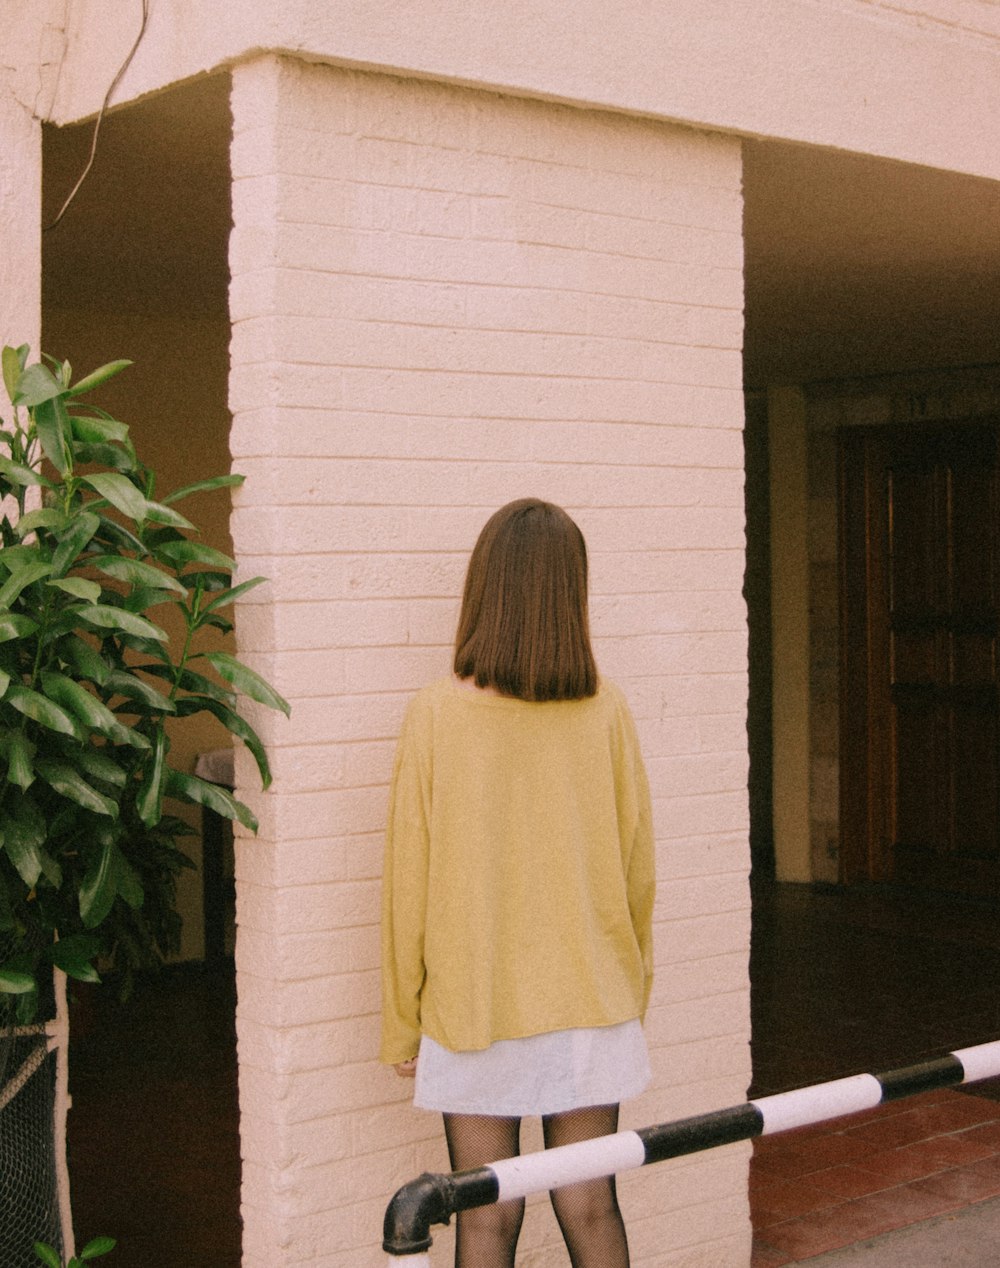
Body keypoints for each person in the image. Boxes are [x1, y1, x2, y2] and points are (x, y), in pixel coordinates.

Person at [380, 498, 655, 1268]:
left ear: (484, 590)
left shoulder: (436, 714)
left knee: (485, 1218)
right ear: (573, 593)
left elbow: (409, 883)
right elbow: (639, 871)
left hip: (476, 1004)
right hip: (593, 1002)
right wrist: (636, 991)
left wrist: (403, 1019)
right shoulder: (607, 712)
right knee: (592, 1207)